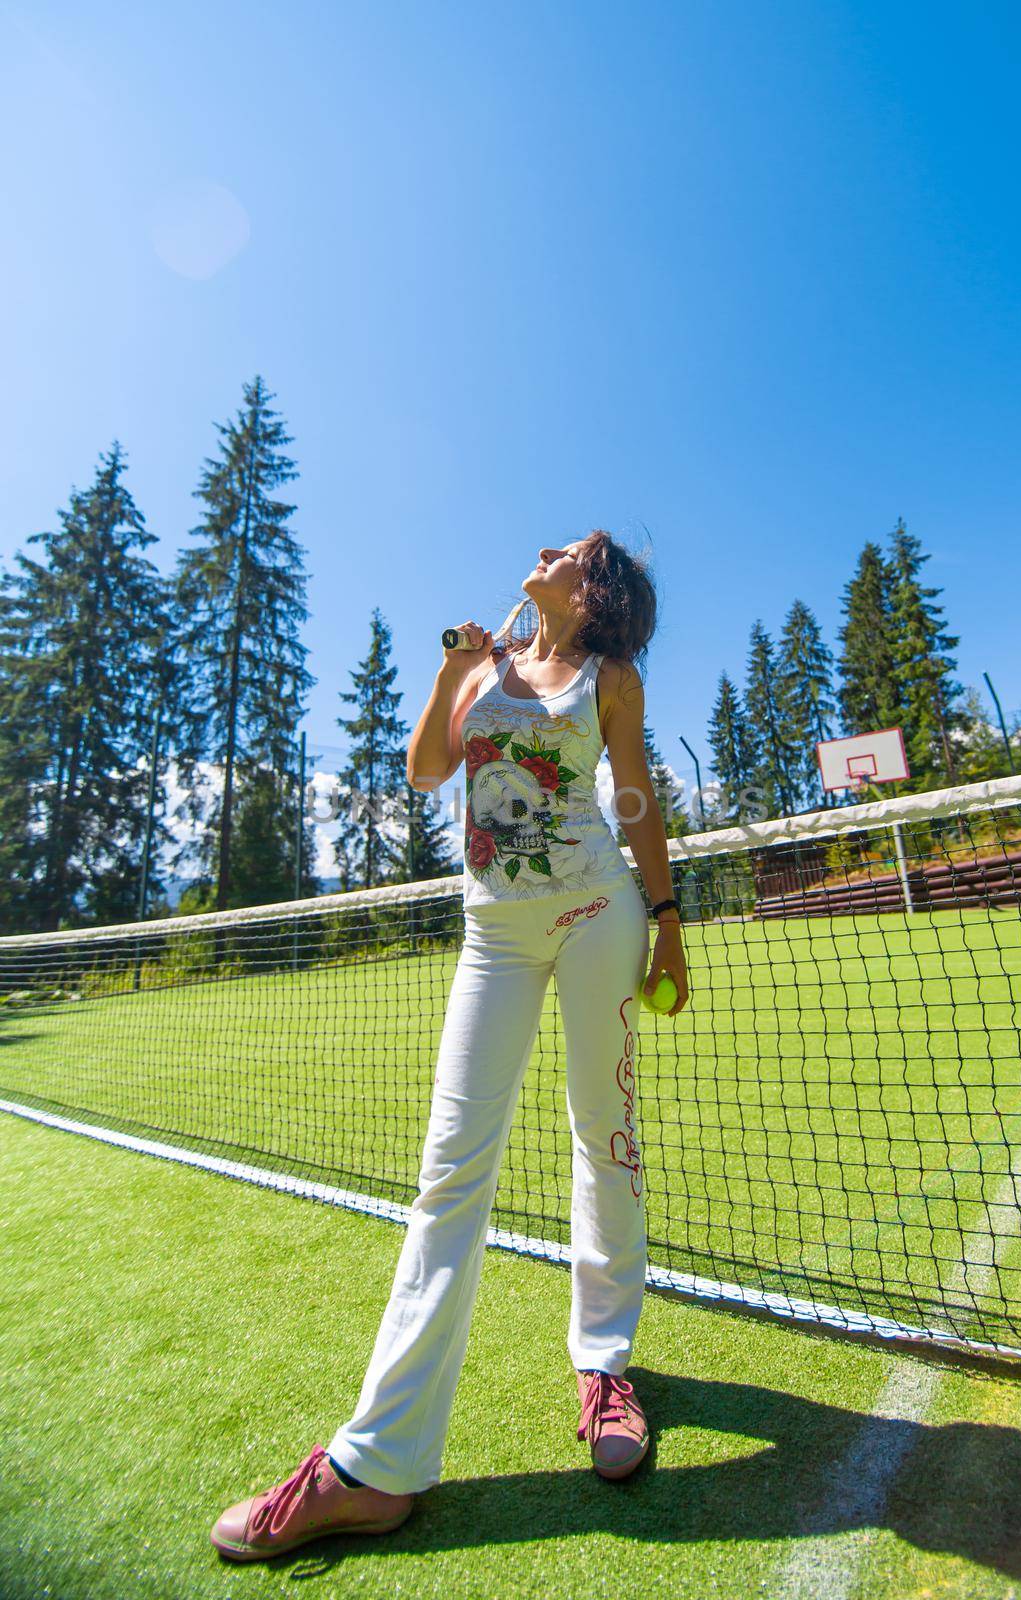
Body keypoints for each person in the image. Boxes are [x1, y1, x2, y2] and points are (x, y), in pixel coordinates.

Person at [210, 529, 689, 1562]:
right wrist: (446, 669)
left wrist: (667, 917)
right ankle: (376, 1465)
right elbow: (428, 766)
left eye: (575, 548)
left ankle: (602, 1364)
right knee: (446, 1174)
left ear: (590, 588)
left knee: (602, 1135)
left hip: (597, 913)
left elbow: (635, 793)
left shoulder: (608, 679)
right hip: (492, 934)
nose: (550, 546)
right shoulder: (478, 661)